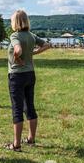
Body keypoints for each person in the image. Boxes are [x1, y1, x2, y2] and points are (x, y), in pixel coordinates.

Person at [5, 10, 51, 152]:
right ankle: (31, 138)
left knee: (17, 109)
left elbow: (17, 49)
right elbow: (48, 44)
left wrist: (18, 58)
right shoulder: (31, 36)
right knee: (30, 106)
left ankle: (16, 144)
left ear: (15, 22)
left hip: (17, 76)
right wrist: (34, 53)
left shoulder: (15, 35)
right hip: (30, 74)